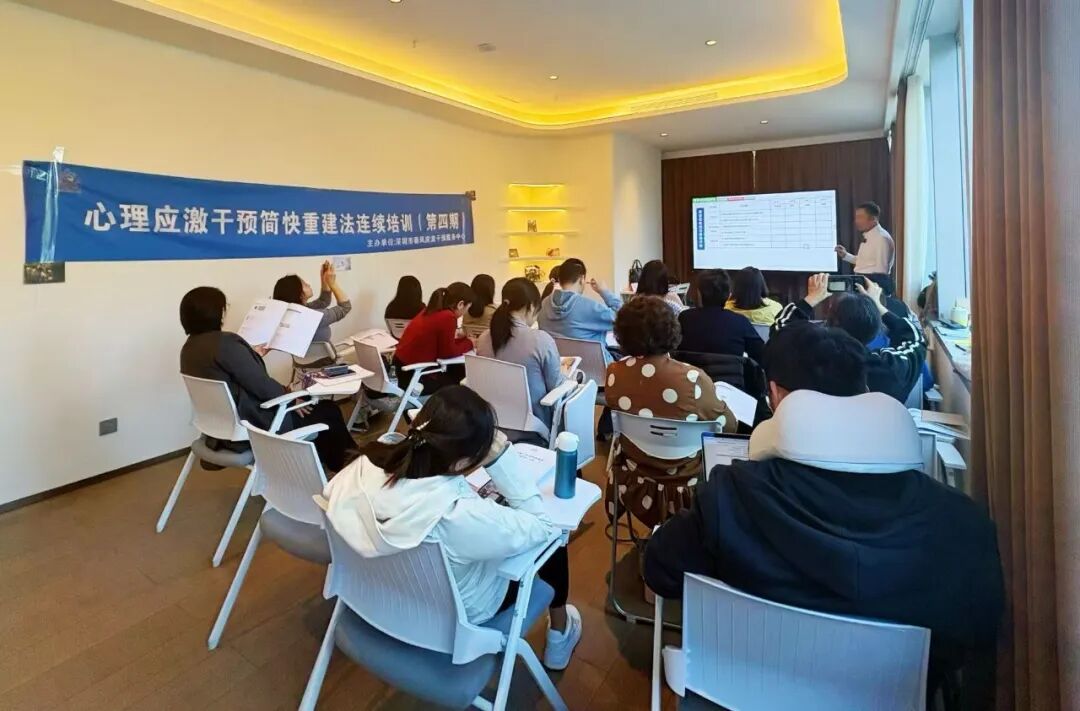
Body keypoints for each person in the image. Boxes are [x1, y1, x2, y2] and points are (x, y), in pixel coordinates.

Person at [643, 323, 1004, 699]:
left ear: (775, 395)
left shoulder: (729, 499)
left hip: (744, 693)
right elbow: (976, 631)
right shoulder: (962, 526)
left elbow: (659, 571)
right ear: (864, 392)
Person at [322, 386, 582, 670]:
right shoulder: (457, 515)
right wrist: (501, 457)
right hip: (457, 616)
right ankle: (560, 634)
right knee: (554, 541)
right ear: (461, 462)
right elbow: (543, 527)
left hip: (377, 595)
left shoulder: (358, 469)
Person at [178, 287, 357, 472]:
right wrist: (290, 397)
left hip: (219, 428)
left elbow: (229, 374)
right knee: (328, 410)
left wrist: (250, 355)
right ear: (216, 313)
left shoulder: (189, 349)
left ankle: (314, 467)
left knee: (313, 410)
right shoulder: (226, 344)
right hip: (256, 423)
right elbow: (262, 386)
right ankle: (349, 468)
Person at [605, 296, 737, 528]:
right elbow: (728, 426)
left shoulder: (614, 373)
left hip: (635, 476)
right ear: (670, 330)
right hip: (688, 484)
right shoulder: (692, 379)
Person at [773, 273, 926, 402]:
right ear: (876, 329)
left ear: (828, 323)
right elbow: (915, 338)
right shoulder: (891, 368)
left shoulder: (802, 359)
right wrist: (878, 306)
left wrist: (811, 299)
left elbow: (781, 327)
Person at [477, 278, 568, 435]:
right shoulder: (540, 340)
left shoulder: (483, 339)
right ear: (531, 307)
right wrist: (566, 375)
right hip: (533, 427)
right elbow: (555, 386)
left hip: (491, 425)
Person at [393, 282, 475, 394]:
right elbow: (448, 353)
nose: (465, 313)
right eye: (467, 308)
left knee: (456, 370)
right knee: (462, 377)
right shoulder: (448, 317)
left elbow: (442, 343)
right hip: (416, 377)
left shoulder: (431, 310)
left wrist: (462, 340)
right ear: (461, 304)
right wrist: (470, 343)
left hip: (401, 369)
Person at [538, 259, 622, 363]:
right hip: (597, 367)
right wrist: (604, 291)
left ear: (559, 279)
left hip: (560, 368)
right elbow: (625, 317)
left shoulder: (543, 305)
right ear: (582, 279)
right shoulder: (590, 307)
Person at [678, 269, 764, 363]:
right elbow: (762, 355)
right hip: (731, 372)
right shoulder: (740, 322)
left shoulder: (684, 318)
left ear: (699, 294)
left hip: (691, 372)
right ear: (728, 295)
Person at [273, 261, 351, 345]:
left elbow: (323, 301)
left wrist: (324, 279)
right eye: (305, 284)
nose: (309, 285)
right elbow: (345, 307)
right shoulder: (314, 317)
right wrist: (333, 283)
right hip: (323, 353)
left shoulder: (294, 313)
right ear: (299, 294)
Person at [835, 201, 895, 275]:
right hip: (862, 278)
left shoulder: (881, 238)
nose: (856, 221)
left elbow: (882, 271)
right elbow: (865, 263)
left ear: (873, 219)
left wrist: (866, 281)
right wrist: (845, 255)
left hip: (871, 280)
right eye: (856, 217)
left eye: (860, 217)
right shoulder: (869, 235)